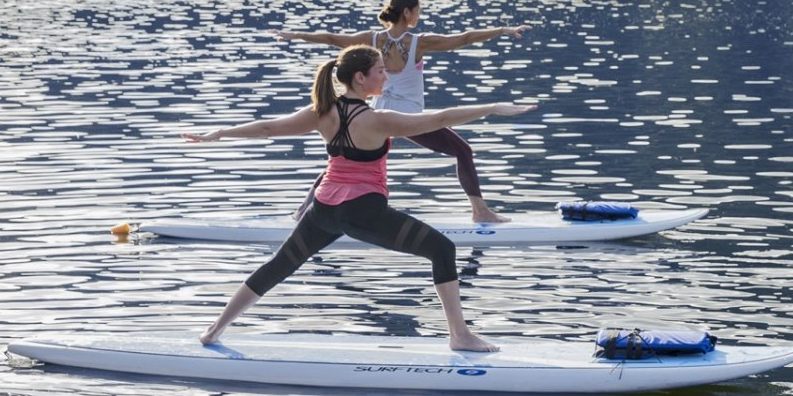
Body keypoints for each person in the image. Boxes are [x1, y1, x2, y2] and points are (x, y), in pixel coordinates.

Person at [181, 44, 534, 351]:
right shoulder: (378, 120)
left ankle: (214, 330)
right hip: (363, 211)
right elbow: (438, 118)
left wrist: (219, 134)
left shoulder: (322, 112)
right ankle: (460, 335)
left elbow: (268, 128)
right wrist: (490, 108)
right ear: (361, 78)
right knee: (442, 250)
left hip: (323, 209)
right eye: (381, 71)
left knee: (279, 266)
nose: (386, 77)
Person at [273, 0, 531, 223]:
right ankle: (480, 211)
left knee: (343, 159)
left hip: (375, 115)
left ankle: (304, 211)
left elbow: (331, 38)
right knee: (463, 151)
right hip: (406, 119)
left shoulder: (370, 39)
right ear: (407, 12)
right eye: (417, 10)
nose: (418, 15)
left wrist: (295, 35)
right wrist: (501, 30)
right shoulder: (419, 41)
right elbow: (463, 39)